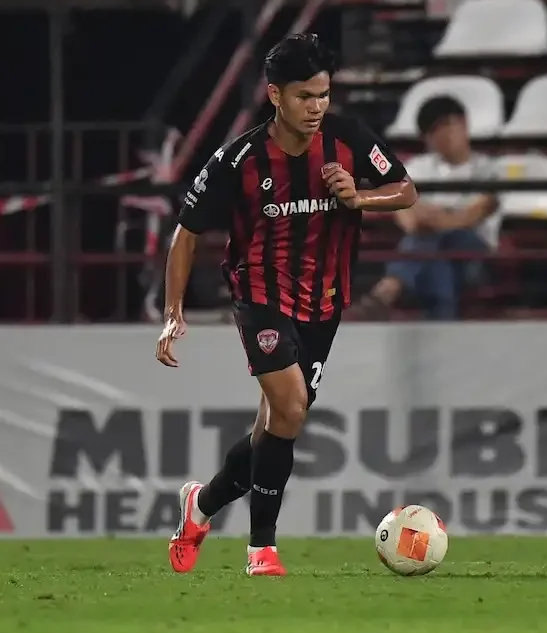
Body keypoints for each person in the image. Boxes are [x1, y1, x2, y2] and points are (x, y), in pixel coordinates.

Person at [155, 33, 417, 577]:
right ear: (275, 95)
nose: (317, 106)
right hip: (260, 296)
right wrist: (173, 311)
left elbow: (406, 190)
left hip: (324, 302)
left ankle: (200, 506)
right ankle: (262, 549)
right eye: (305, 96)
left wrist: (359, 197)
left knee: (275, 426)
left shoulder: (348, 140)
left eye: (323, 94)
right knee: (291, 408)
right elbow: (186, 233)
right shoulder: (239, 159)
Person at [355, 96, 499, 320]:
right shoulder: (417, 167)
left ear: (464, 125)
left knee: (436, 239)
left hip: (475, 256)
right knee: (437, 264)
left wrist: (431, 218)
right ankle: (443, 333)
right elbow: (408, 219)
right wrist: (444, 217)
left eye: (448, 125)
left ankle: (387, 290)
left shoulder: (489, 170)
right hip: (430, 254)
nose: (443, 135)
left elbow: (472, 218)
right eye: (434, 131)